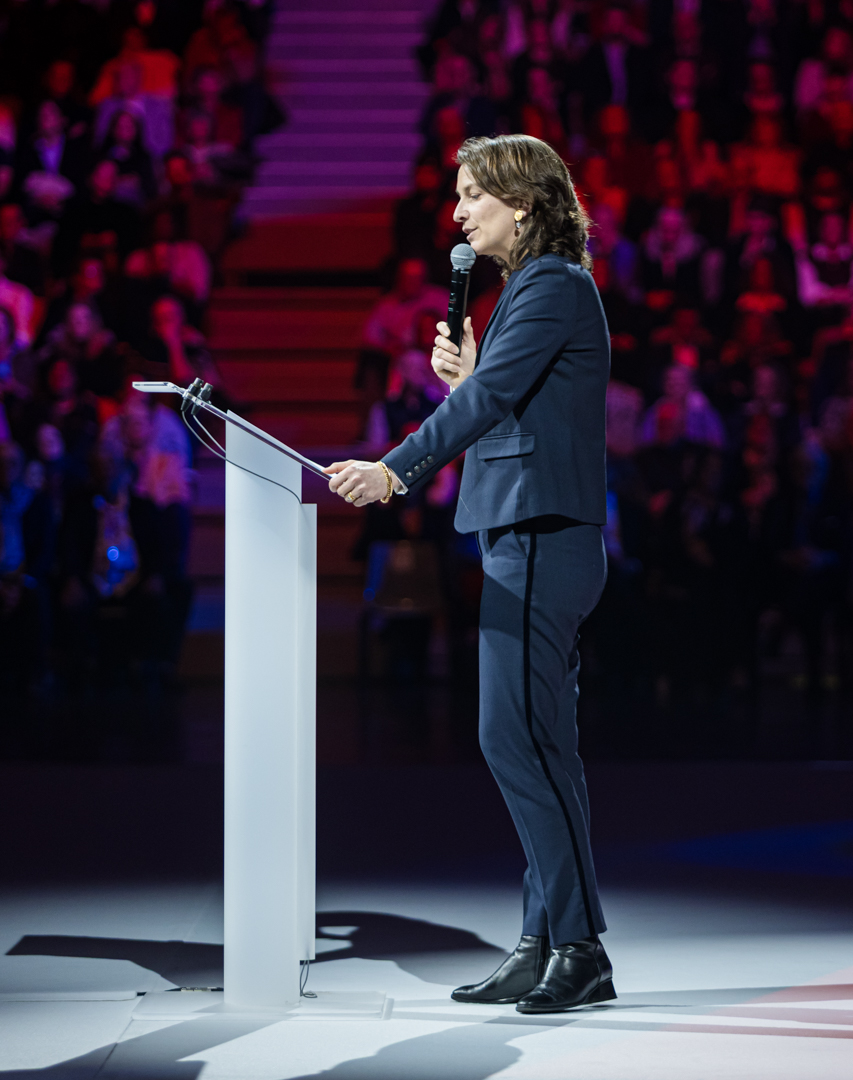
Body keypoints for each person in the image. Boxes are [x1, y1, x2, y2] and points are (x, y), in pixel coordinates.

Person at [327, 134, 613, 1013]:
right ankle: (541, 940)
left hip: (538, 540)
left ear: (521, 205)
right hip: (525, 538)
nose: (457, 213)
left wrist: (394, 470)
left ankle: (580, 947)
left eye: (472, 196)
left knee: (511, 738)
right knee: (540, 746)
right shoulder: (532, 290)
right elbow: (504, 403)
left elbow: (490, 406)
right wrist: (472, 376)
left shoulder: (552, 285)